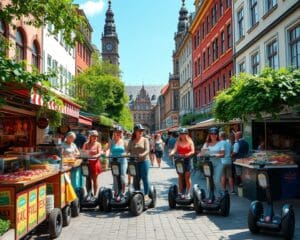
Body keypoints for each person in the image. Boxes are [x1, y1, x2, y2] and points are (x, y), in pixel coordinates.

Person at [127, 123, 151, 201]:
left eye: (142, 131)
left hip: (144, 161)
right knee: (136, 178)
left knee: (144, 177)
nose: (141, 132)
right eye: (139, 130)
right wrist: (125, 154)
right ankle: (137, 193)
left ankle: (146, 194)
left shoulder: (145, 139)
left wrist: (142, 154)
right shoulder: (131, 141)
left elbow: (147, 150)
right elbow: (127, 150)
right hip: (134, 162)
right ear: (135, 131)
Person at [169, 128, 195, 199]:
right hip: (179, 160)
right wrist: (171, 153)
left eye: (184, 134)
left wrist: (188, 153)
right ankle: (181, 192)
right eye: (181, 134)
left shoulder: (190, 141)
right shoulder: (178, 141)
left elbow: (193, 151)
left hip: (188, 159)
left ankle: (188, 192)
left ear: (187, 134)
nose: (182, 135)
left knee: (187, 176)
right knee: (180, 175)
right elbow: (175, 149)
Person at [108, 126, 127, 200]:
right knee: (115, 177)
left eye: (119, 132)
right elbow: (107, 150)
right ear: (114, 133)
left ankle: (122, 192)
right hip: (114, 161)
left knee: (122, 177)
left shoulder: (124, 141)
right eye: (117, 132)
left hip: (122, 161)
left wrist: (125, 153)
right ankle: (116, 193)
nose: (118, 133)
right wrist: (105, 154)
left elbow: (128, 150)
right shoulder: (111, 141)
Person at [82, 130, 102, 196]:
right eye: (93, 136)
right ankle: (89, 194)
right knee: (88, 179)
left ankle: (95, 195)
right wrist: (85, 154)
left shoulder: (98, 144)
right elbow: (83, 152)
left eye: (96, 136)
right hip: (87, 163)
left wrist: (96, 155)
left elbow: (99, 152)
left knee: (94, 180)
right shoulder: (86, 144)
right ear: (90, 136)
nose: (95, 137)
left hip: (95, 163)